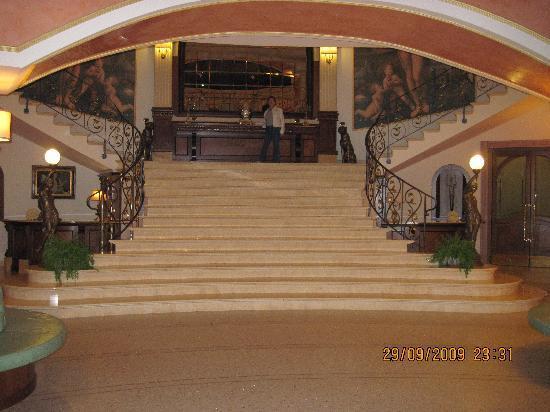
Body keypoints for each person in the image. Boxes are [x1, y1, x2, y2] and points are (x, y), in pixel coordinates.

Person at [260, 96, 285, 162]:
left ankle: (276, 161)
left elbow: (282, 121)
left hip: (276, 129)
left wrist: (282, 131)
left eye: (272, 100)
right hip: (268, 129)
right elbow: (265, 121)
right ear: (268, 102)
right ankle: (262, 159)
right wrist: (262, 125)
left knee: (276, 145)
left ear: (275, 102)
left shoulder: (279, 110)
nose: (271, 102)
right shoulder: (266, 111)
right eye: (269, 101)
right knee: (265, 145)